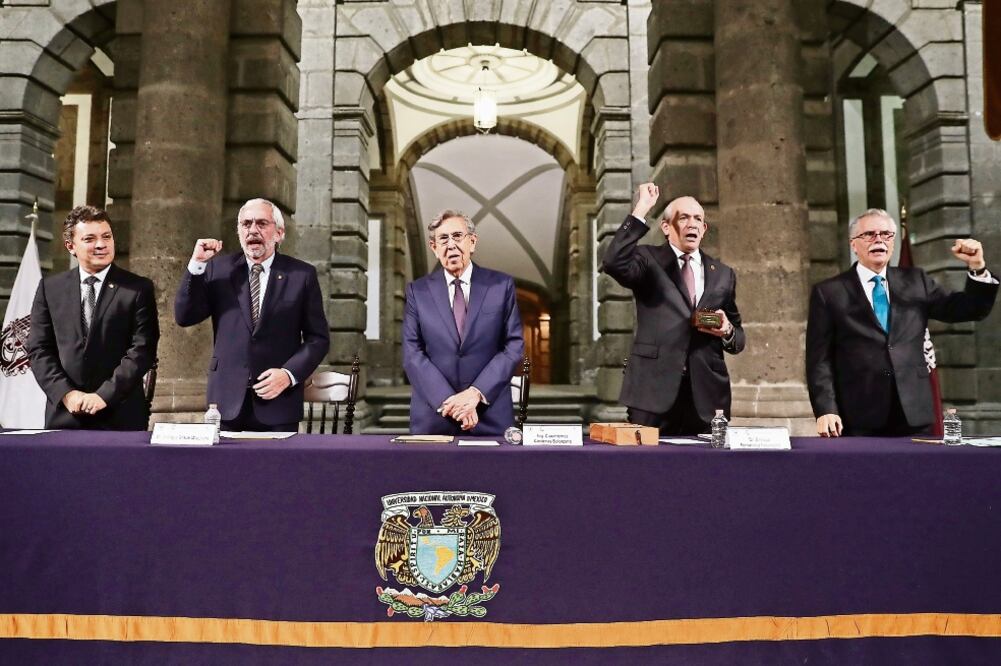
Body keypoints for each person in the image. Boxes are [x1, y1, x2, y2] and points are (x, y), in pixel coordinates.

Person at [807, 208, 998, 437]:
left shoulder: (916, 281)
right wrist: (826, 409)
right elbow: (819, 360)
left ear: (894, 242)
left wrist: (977, 267)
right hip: (858, 415)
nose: (879, 239)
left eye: (886, 234)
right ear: (853, 244)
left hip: (914, 413)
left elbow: (969, 309)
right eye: (869, 234)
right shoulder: (829, 292)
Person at [174, 198, 329, 432]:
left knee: (276, 469)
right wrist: (196, 265)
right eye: (246, 224)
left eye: (261, 223)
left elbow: (318, 339)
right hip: (226, 402)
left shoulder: (301, 275)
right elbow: (185, 316)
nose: (252, 230)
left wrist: (288, 375)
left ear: (278, 233)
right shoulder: (219, 269)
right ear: (238, 231)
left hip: (278, 402)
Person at [603, 182, 745, 435]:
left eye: (698, 219)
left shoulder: (723, 274)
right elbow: (613, 262)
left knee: (706, 472)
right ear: (667, 227)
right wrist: (641, 209)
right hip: (652, 393)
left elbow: (738, 339)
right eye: (684, 217)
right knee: (646, 470)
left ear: (704, 229)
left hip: (706, 395)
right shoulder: (648, 260)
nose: (692, 224)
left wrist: (727, 330)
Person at [28, 205, 159, 429]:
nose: (101, 244)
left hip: (120, 416)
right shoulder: (50, 288)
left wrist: (103, 396)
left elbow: (142, 350)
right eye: (89, 239)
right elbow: (39, 349)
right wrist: (67, 394)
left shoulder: (137, 289)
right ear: (71, 246)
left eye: (106, 236)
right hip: (65, 415)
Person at [402, 210, 524, 435]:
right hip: (435, 415)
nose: (451, 245)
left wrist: (475, 393)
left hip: (489, 415)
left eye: (457, 236)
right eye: (443, 239)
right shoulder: (417, 291)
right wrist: (451, 402)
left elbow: (513, 346)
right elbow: (412, 353)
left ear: (472, 242)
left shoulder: (500, 286)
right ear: (434, 248)